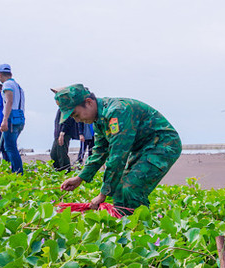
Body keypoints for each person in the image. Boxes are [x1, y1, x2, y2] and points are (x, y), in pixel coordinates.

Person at [55, 84, 182, 215]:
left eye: (76, 115)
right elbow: (100, 151)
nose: (77, 120)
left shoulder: (117, 111)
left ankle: (141, 228)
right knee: (119, 191)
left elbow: (118, 155)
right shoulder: (98, 119)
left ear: (88, 102)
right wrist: (80, 178)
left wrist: (103, 195)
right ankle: (126, 225)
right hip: (142, 147)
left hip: (163, 144)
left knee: (131, 188)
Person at [0, 64, 25, 173]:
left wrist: (4, 120)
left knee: (10, 147)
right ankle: (16, 170)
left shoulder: (7, 84)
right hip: (20, 116)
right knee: (11, 145)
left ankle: (17, 172)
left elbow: (9, 101)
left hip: (12, 117)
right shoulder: (18, 86)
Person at [50, 107, 84, 172]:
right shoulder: (61, 107)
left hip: (64, 133)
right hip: (58, 133)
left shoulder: (67, 106)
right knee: (54, 154)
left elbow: (68, 120)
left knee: (62, 154)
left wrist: (62, 132)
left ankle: (66, 171)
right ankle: (58, 171)